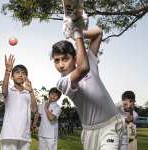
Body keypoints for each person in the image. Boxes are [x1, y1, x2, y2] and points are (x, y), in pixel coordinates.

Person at [52, 13, 123, 149]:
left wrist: (77, 32)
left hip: (110, 126)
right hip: (90, 132)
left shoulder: (89, 59)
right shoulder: (63, 82)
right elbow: (83, 68)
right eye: (56, 60)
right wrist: (77, 33)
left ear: (74, 57)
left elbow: (98, 32)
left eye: (65, 58)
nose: (60, 65)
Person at [0, 54, 37, 150]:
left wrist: (31, 91)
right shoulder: (8, 91)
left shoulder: (29, 93)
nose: (20, 74)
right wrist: (7, 71)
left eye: (23, 73)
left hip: (24, 135)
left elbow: (34, 109)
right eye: (17, 72)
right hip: (9, 134)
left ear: (26, 77)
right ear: (12, 77)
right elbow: (4, 91)